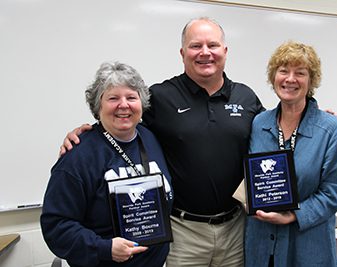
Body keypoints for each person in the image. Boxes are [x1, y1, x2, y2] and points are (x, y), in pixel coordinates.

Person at [59, 17, 264, 266]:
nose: (205, 53)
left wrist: (315, 117)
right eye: (195, 46)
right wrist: (85, 131)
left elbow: (276, 129)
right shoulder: (161, 97)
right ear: (182, 53)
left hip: (235, 229)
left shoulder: (247, 97)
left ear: (225, 51)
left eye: (212, 45)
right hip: (182, 233)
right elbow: (121, 118)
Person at [41, 61, 173, 267]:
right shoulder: (78, 156)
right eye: (113, 98)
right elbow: (56, 225)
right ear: (98, 105)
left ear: (142, 103)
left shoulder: (151, 139)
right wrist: (104, 248)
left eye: (131, 97)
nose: (124, 105)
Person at [244, 41, 337, 267]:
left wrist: (293, 215)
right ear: (274, 77)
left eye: (300, 73)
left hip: (308, 247)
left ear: (311, 81)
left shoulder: (330, 129)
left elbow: (335, 190)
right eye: (283, 71)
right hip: (262, 245)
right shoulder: (259, 123)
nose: (290, 79)